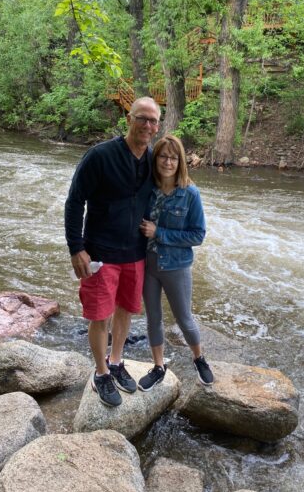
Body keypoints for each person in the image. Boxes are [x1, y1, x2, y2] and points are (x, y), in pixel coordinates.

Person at [65, 97, 161, 407]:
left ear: (158, 126)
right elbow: (74, 201)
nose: (147, 125)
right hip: (100, 253)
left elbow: (175, 190)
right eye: (142, 118)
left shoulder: (152, 160)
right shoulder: (100, 156)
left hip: (135, 253)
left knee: (125, 310)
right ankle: (101, 372)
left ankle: (117, 361)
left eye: (153, 121)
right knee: (99, 315)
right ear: (129, 119)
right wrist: (76, 248)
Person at [138, 134, 214, 391]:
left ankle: (199, 358)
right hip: (148, 263)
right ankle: (159, 367)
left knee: (184, 319)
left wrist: (159, 232)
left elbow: (198, 235)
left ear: (180, 161)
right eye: (163, 156)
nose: (168, 162)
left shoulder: (190, 193)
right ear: (155, 158)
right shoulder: (147, 189)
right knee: (153, 318)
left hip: (177, 266)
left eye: (173, 157)